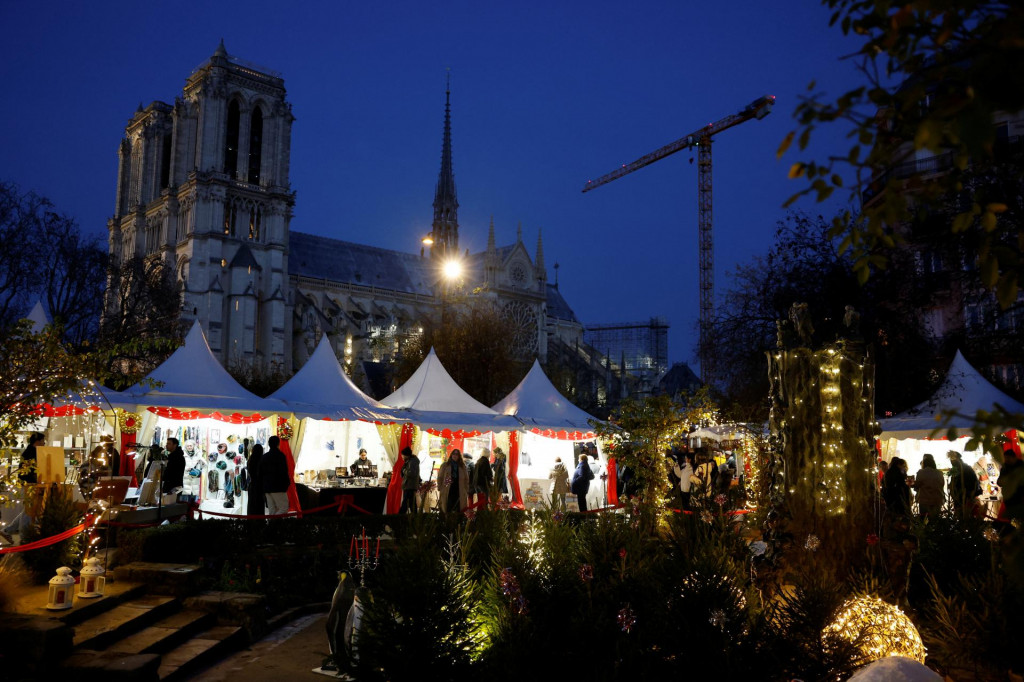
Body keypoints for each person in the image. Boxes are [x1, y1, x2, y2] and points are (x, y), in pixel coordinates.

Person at [261, 436, 290, 515]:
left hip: (267, 487)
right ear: (278, 443)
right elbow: (284, 471)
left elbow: (262, 472)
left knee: (272, 510)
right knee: (284, 508)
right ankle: (271, 525)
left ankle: (271, 526)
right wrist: (287, 484)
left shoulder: (264, 457)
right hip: (278, 486)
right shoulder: (280, 456)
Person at [948, 450, 980, 519]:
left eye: (951, 460)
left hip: (964, 496)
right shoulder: (965, 467)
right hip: (964, 495)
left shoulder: (960, 468)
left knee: (964, 516)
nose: (951, 462)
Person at [913, 453, 945, 518]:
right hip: (937, 500)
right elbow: (942, 485)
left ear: (924, 463)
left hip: (925, 501)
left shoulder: (921, 472)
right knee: (936, 520)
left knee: (925, 520)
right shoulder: (939, 473)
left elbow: (917, 486)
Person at [997, 448, 1024, 522]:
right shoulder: (1005, 467)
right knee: (1012, 519)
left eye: (1008, 458)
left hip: (1019, 498)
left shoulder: (1021, 466)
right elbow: (999, 482)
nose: (1006, 460)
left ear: (1014, 457)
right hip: (1009, 499)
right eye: (1005, 458)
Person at [399, 446, 421, 513]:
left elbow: (411, 473)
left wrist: (404, 470)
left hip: (410, 485)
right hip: (410, 485)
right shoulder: (410, 461)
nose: (402, 456)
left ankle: (399, 517)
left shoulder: (412, 462)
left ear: (406, 455)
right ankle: (414, 518)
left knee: (405, 503)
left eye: (402, 455)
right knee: (412, 503)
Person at [246, 443, 265, 516]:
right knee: (259, 506)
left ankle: (250, 522)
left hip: (252, 485)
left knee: (251, 505)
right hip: (260, 485)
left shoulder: (250, 460)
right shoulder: (261, 460)